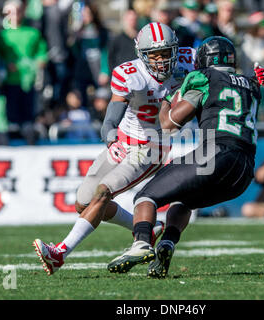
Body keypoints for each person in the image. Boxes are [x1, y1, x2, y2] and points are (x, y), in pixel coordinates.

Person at [32, 22, 195, 276]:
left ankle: (60, 253)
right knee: (83, 202)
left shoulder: (189, 60)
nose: (162, 61)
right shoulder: (130, 74)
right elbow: (110, 119)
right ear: (142, 55)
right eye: (155, 55)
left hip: (153, 146)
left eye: (166, 53)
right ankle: (146, 228)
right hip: (125, 141)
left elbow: (221, 69)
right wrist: (111, 139)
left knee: (102, 192)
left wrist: (251, 76)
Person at [107, 36, 264, 278]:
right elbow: (247, 85)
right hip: (244, 170)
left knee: (146, 196)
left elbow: (170, 124)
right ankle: (168, 243)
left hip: (216, 153)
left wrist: (166, 100)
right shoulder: (251, 84)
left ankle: (141, 243)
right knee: (183, 201)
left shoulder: (204, 77)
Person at [0, 0, 48, 145]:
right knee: (11, 118)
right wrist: (6, 66)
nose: (15, 15)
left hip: (29, 83)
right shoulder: (2, 36)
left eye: (18, 11)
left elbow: (42, 53)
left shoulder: (33, 33)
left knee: (28, 121)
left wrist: (38, 62)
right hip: (9, 84)